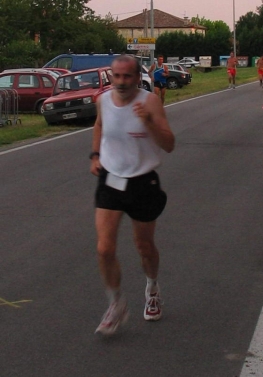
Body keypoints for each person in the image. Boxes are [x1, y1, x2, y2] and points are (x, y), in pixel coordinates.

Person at [90, 54, 175, 336]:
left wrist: (149, 121)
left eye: (128, 76)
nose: (122, 82)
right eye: (117, 76)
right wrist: (95, 155)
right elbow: (100, 125)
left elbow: (169, 144)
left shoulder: (150, 102)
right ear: (110, 77)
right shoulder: (103, 100)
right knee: (104, 248)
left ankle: (152, 287)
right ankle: (115, 304)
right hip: (111, 179)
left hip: (142, 182)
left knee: (144, 247)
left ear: (138, 77)